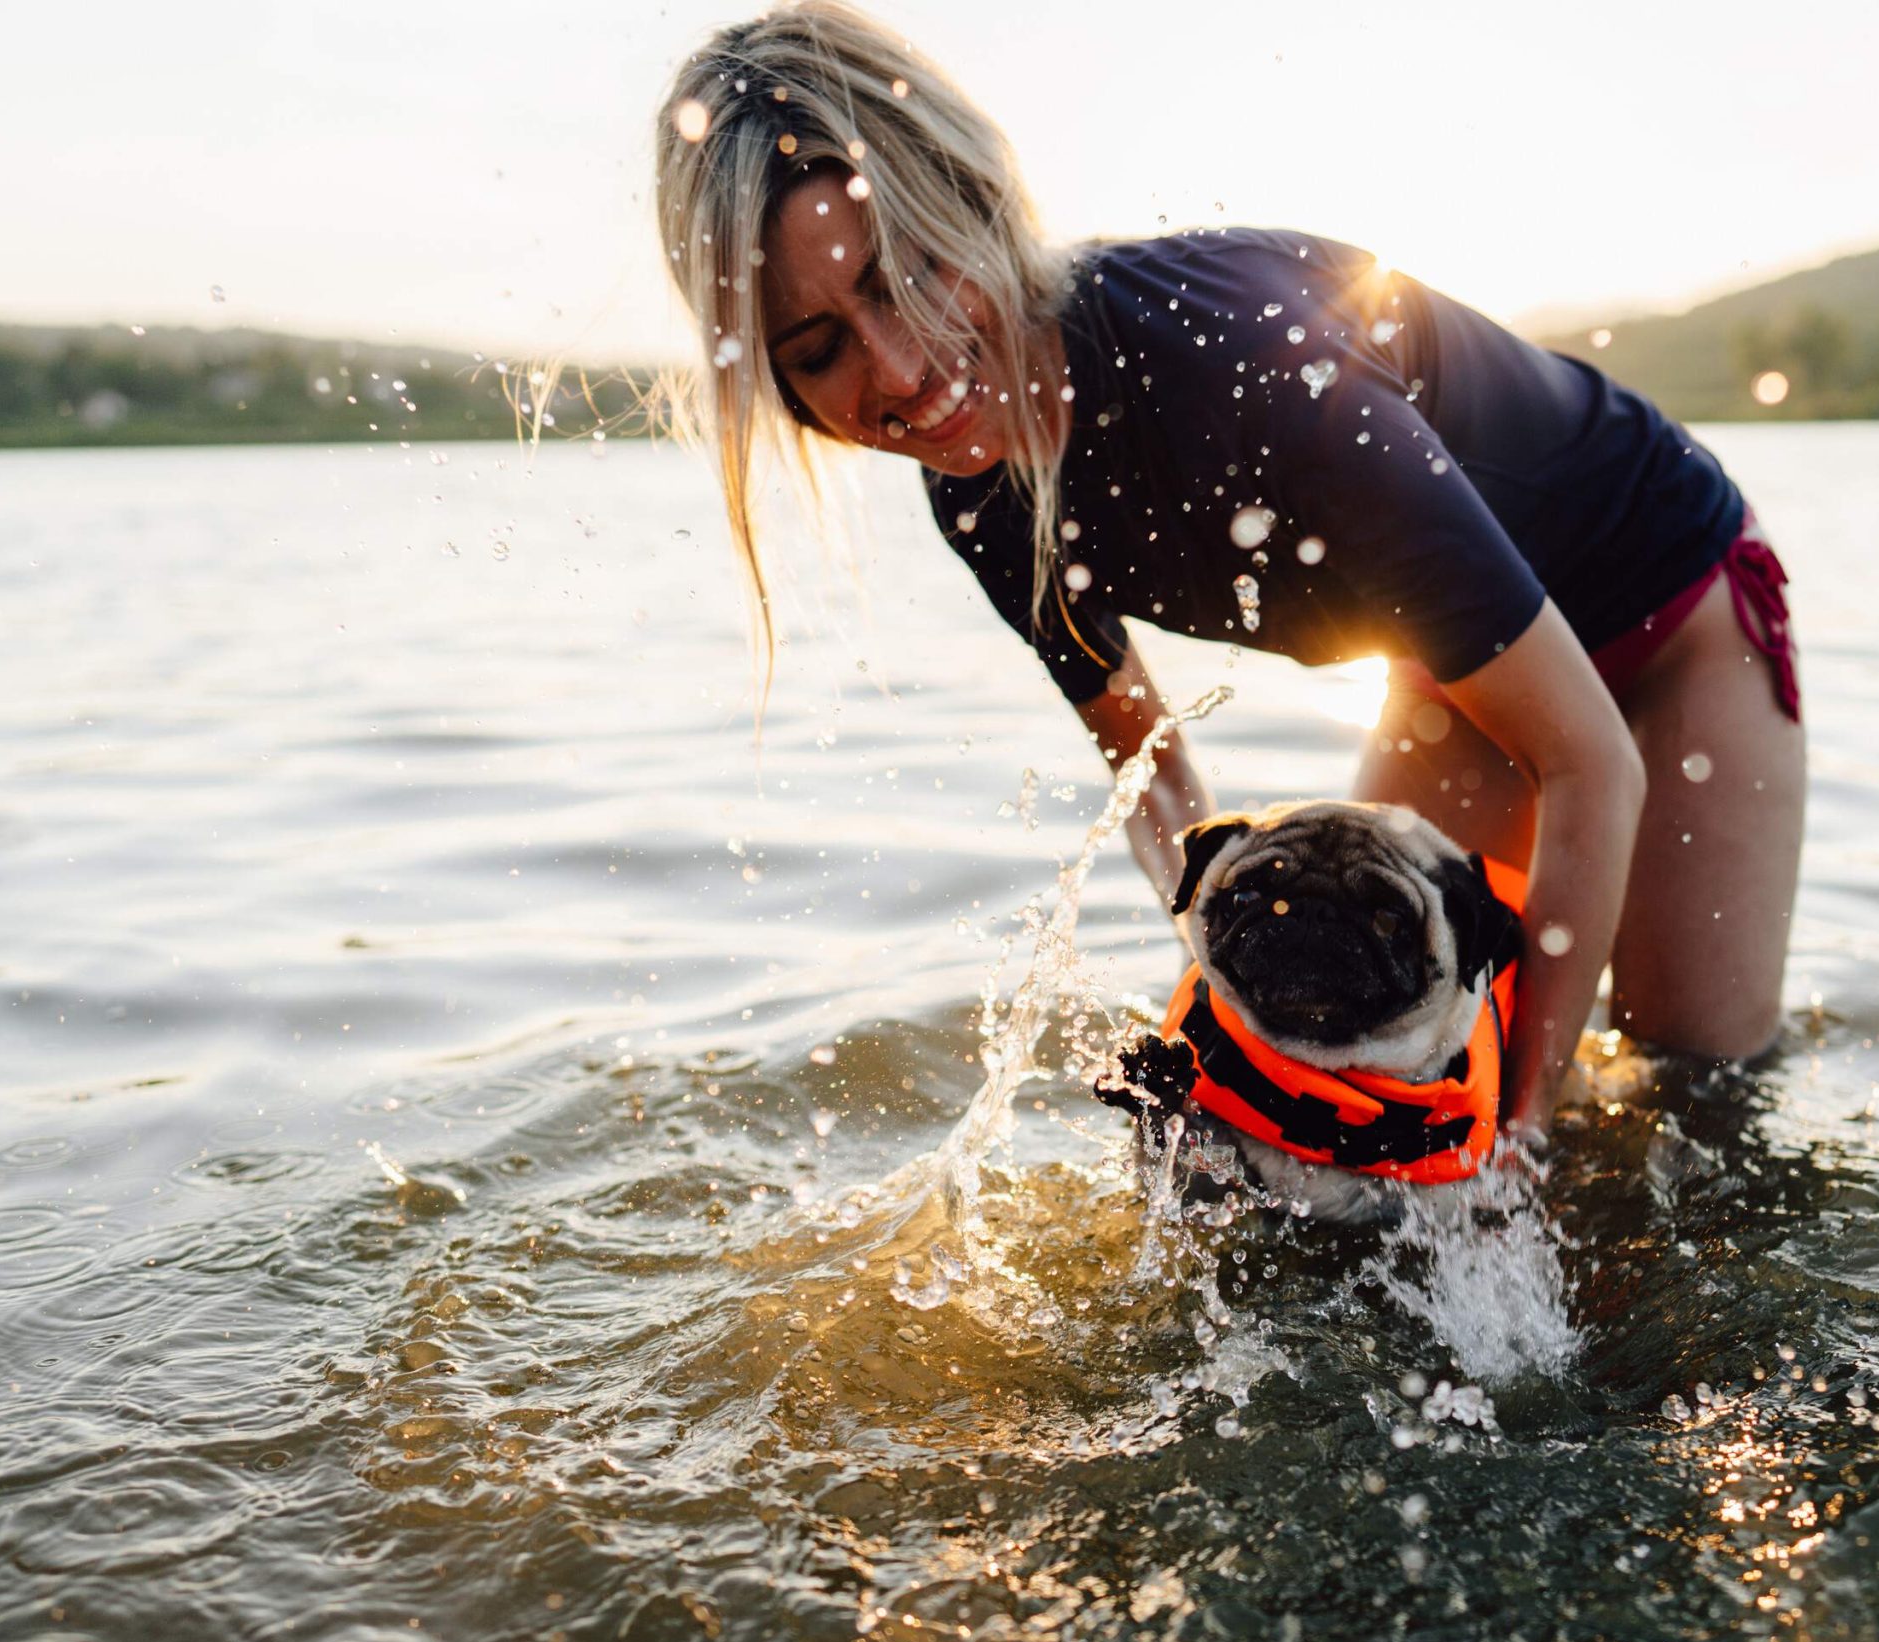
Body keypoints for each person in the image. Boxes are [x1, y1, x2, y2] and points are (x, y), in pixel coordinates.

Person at [650, 2, 1805, 1139]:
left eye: (908, 276)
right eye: (818, 349)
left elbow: (1587, 757)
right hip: (1466, 679)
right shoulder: (978, 491)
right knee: (1364, 1057)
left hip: (1676, 617)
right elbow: (1154, 781)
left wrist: (1524, 1138)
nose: (900, 370)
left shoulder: (1243, 360)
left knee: (1692, 1104)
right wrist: (1220, 1014)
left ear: (976, 201)